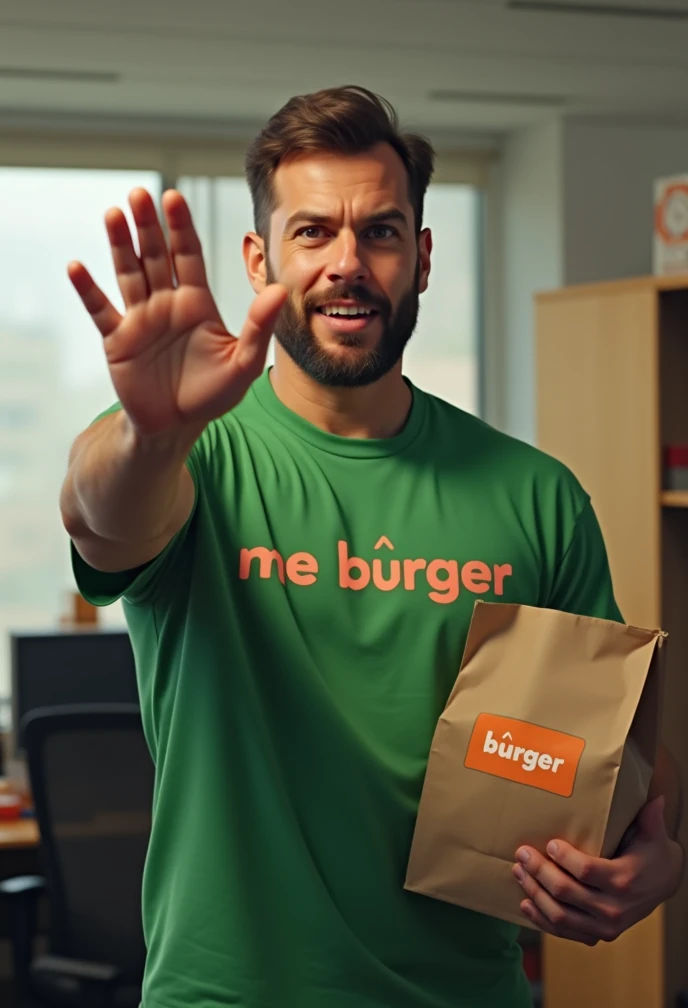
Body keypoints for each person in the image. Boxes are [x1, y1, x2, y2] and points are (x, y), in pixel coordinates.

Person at [60, 85, 683, 1008]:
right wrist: (152, 437)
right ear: (258, 257)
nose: (347, 263)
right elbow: (99, 517)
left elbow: (615, 767)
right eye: (312, 232)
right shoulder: (189, 455)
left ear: (422, 258)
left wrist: (652, 862)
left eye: (381, 232)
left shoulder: (536, 497)